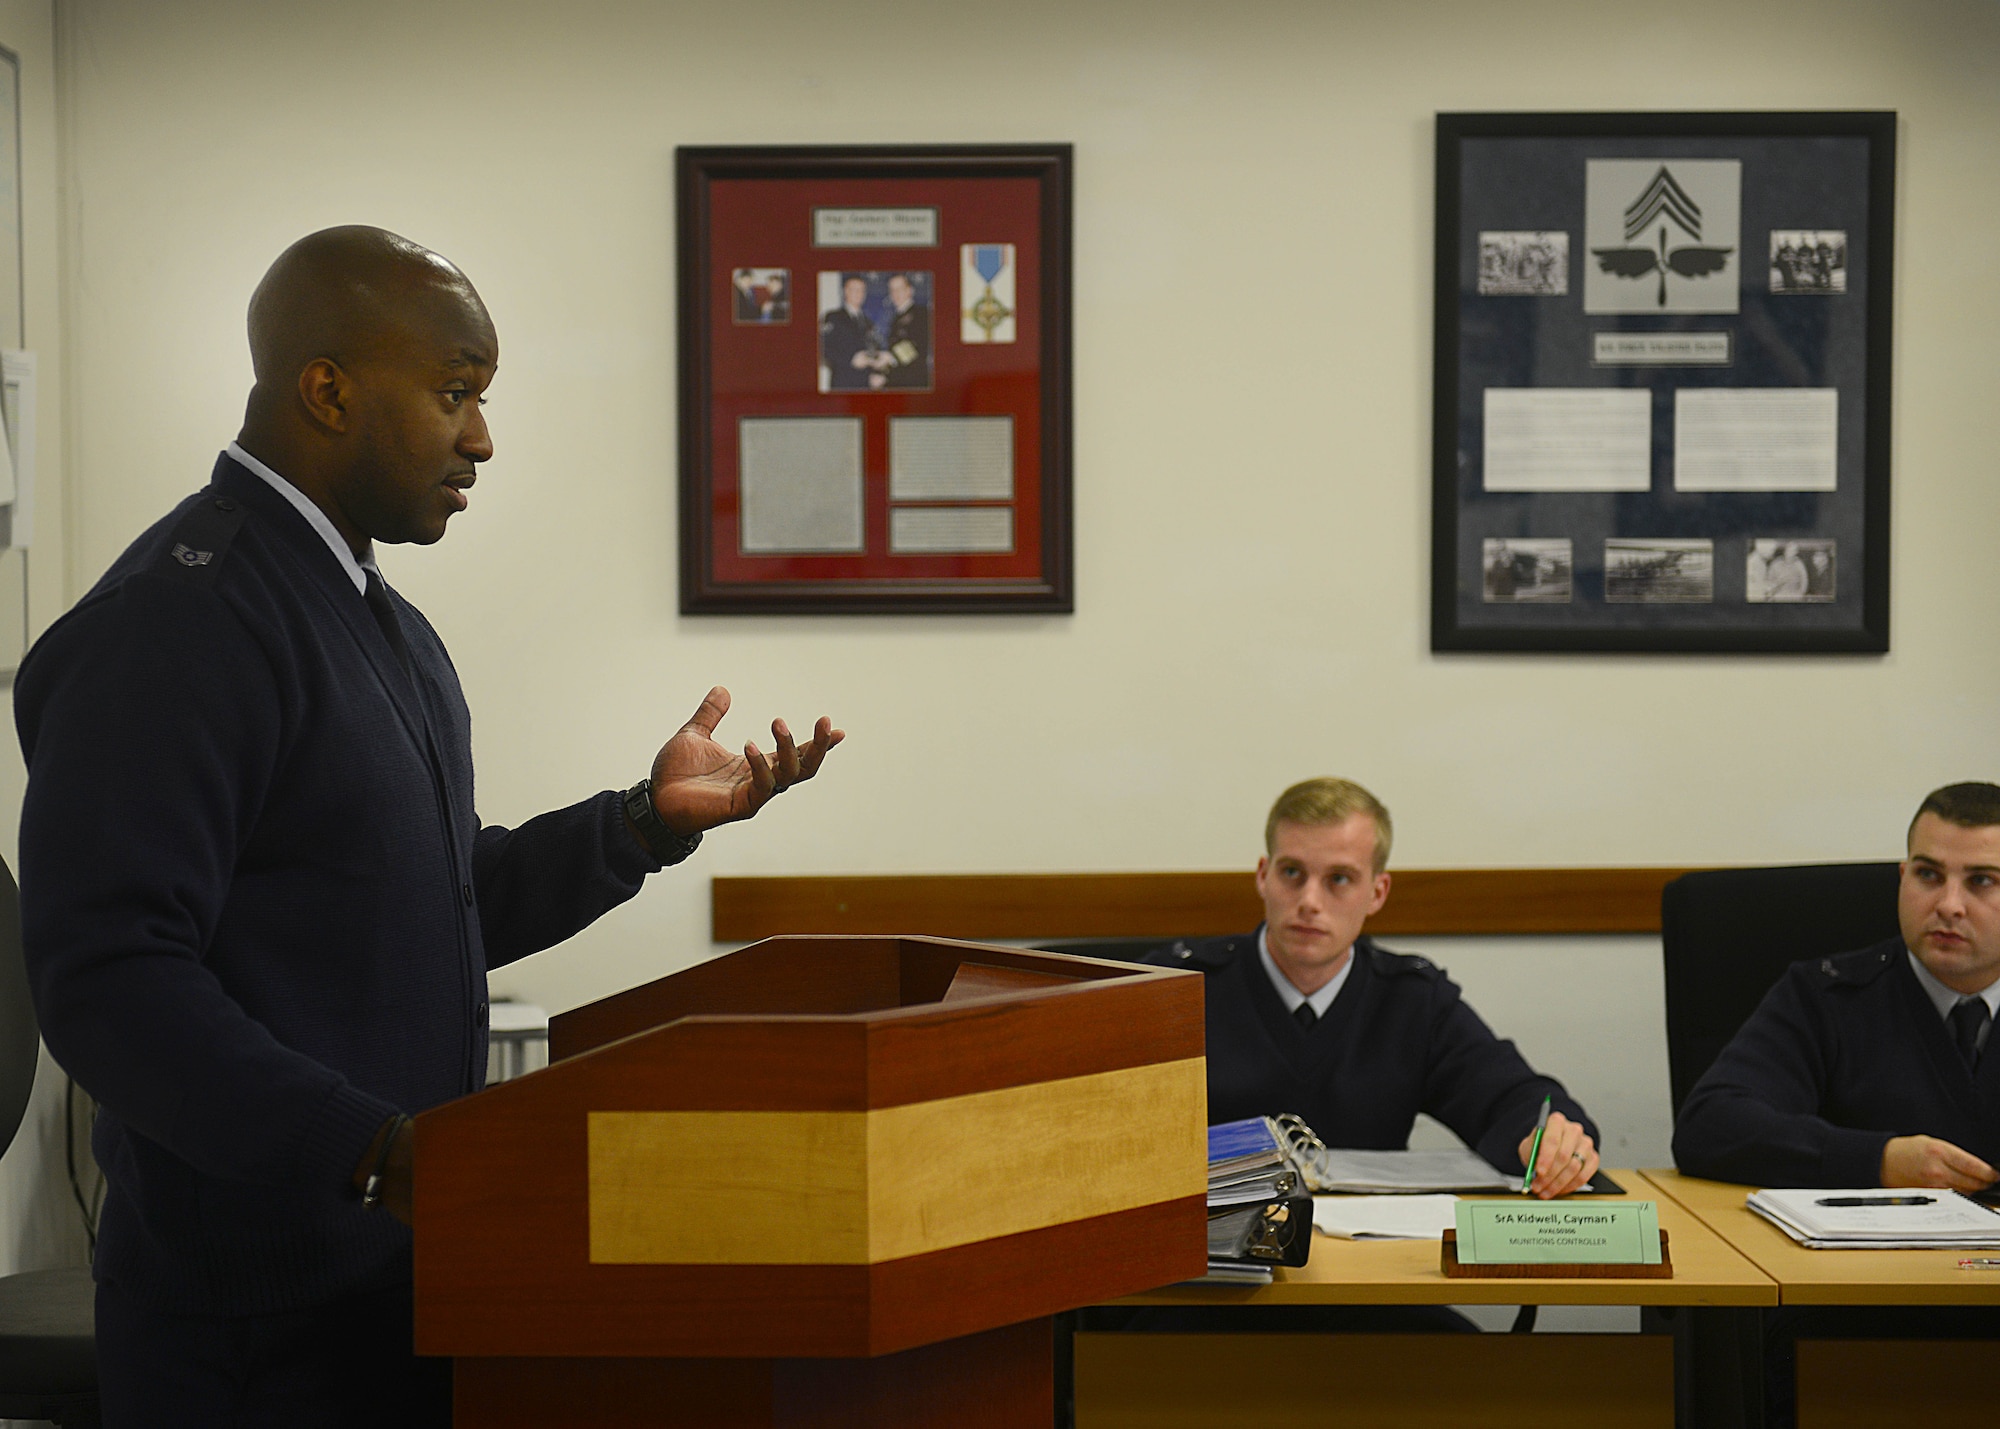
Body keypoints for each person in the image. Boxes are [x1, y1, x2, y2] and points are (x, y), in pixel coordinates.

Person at [13, 226, 844, 1427]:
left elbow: (429, 903)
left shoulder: (375, 619)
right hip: (250, 1329)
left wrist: (639, 825)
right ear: (328, 389)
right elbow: (109, 981)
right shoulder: (177, 623)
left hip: (391, 1278)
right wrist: (375, 1151)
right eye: (456, 393)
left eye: (484, 398)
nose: (482, 437)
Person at [1145, 777, 1601, 1197]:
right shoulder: (1178, 989)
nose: (1309, 901)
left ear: (1377, 893)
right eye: (1291, 873)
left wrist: (1549, 1140)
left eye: (1338, 879)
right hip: (1206, 1255)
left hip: (1370, 1262)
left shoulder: (1412, 1000)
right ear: (1263, 876)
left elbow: (1513, 1098)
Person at [1674, 782, 2000, 1190]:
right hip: (1861, 1251)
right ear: (1903, 877)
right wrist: (1878, 1161)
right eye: (1928, 875)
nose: (1949, 904)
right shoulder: (1827, 995)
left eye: (1983, 881)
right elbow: (1709, 1126)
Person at [818, 273, 882, 390]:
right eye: (854, 289)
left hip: (866, 385)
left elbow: (873, 348)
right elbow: (822, 348)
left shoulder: (868, 322)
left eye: (862, 290)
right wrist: (850, 360)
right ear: (845, 291)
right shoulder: (833, 317)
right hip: (843, 383)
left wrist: (875, 372)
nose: (859, 293)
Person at [877, 271, 930, 390]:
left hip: (914, 382)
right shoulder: (895, 318)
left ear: (909, 290)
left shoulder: (922, 313)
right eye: (892, 290)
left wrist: (890, 357)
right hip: (897, 381)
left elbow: (920, 345)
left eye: (899, 289)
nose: (895, 294)